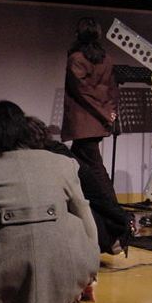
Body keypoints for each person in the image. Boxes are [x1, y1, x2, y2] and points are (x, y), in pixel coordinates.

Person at [0, 100, 100, 303]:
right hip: (67, 273)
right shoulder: (63, 164)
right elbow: (86, 218)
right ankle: (64, 302)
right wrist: (91, 267)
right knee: (71, 218)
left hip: (1, 287)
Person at [26, 115, 134, 256]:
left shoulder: (57, 155)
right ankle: (112, 233)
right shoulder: (56, 154)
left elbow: (93, 191)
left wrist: (121, 219)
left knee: (86, 196)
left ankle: (112, 233)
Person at [61, 17, 119, 203]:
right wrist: (110, 112)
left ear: (78, 34)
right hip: (97, 122)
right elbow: (112, 90)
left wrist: (106, 113)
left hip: (84, 123)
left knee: (95, 168)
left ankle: (116, 211)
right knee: (77, 164)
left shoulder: (76, 59)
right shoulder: (106, 59)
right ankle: (86, 205)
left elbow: (83, 92)